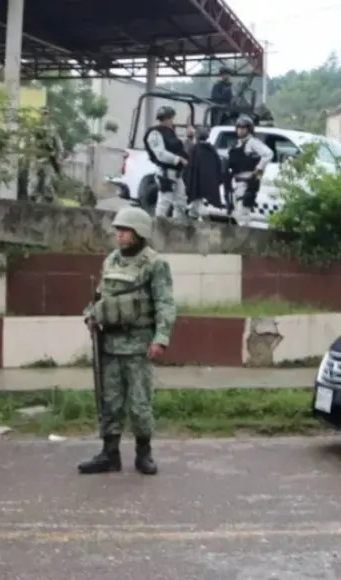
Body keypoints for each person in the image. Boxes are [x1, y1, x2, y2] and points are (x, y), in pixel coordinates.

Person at [78, 207, 177, 476]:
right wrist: (91, 315)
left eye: (124, 230)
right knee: (109, 400)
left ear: (139, 232)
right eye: (118, 230)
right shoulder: (111, 260)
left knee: (140, 403)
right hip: (109, 344)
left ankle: (144, 453)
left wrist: (161, 338)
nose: (119, 235)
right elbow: (101, 295)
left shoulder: (155, 264)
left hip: (138, 347)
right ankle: (109, 453)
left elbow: (165, 303)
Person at [226, 116, 273, 224]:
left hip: (247, 182)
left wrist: (258, 169)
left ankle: (245, 237)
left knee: (243, 212)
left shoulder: (252, 142)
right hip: (236, 182)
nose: (240, 130)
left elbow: (268, 154)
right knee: (237, 212)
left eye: (243, 128)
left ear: (249, 129)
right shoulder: (238, 144)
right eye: (239, 127)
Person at [143, 106, 188, 219]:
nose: (172, 121)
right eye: (171, 118)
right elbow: (160, 154)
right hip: (165, 173)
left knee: (181, 202)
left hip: (177, 173)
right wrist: (178, 159)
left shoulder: (170, 132)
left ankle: (177, 227)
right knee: (164, 201)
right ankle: (159, 227)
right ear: (167, 118)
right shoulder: (155, 133)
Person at [182, 126, 225, 215]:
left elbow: (188, 169)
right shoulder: (213, 151)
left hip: (196, 189)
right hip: (211, 190)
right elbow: (220, 169)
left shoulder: (194, 150)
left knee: (195, 212)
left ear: (196, 136)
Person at [31, 106, 63, 203]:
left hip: (48, 160)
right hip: (36, 159)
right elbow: (28, 143)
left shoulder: (52, 129)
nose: (44, 116)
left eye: (46, 114)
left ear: (48, 115)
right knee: (34, 183)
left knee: (47, 184)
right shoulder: (34, 128)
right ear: (39, 115)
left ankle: (49, 201)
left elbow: (59, 145)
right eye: (42, 114)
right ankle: (33, 201)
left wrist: (58, 157)